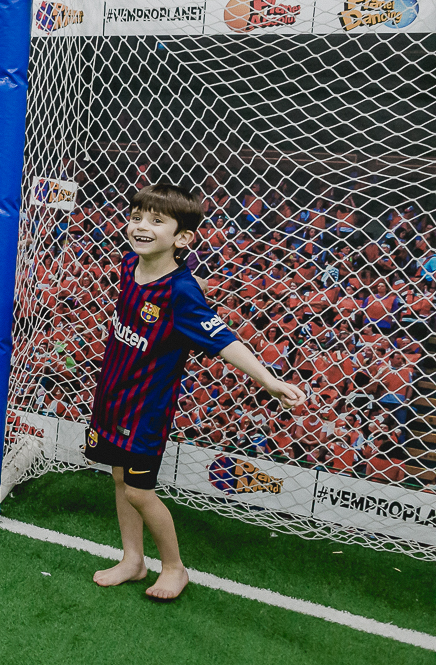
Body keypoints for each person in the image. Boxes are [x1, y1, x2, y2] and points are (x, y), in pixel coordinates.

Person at [86, 184, 305, 600]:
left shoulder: (180, 293)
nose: (141, 225)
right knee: (118, 478)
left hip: (145, 411)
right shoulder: (129, 264)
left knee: (138, 491)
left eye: (156, 220)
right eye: (136, 216)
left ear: (182, 237)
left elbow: (224, 341)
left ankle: (174, 568)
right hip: (111, 397)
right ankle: (133, 560)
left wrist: (269, 381)